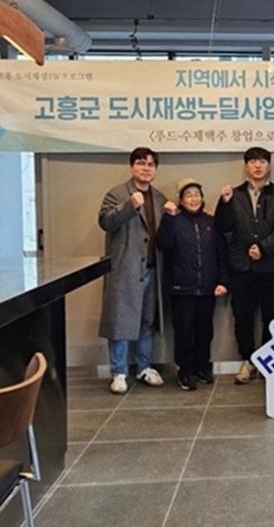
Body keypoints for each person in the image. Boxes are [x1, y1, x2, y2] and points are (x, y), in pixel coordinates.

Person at [215, 147, 274, 385]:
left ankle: (268, 363)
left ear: (269, 165)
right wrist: (224, 203)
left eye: (262, 162)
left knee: (273, 317)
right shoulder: (234, 194)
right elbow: (223, 227)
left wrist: (263, 248)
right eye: (253, 162)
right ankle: (247, 361)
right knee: (243, 317)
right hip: (242, 267)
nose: (258, 166)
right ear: (246, 166)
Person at [98, 147, 166, 394]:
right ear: (131, 167)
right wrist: (129, 206)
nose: (146, 168)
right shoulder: (117, 193)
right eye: (141, 163)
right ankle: (118, 372)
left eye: (151, 164)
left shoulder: (159, 197)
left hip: (153, 270)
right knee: (120, 321)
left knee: (147, 321)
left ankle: (144, 367)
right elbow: (105, 222)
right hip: (125, 269)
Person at [156, 178, 229, 390]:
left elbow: (221, 253)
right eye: (188, 195)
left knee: (204, 331)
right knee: (184, 332)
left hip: (207, 288)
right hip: (181, 289)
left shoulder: (211, 222)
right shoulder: (174, 220)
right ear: (181, 200)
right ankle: (185, 371)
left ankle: (202, 368)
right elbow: (163, 244)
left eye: (197, 195)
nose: (194, 199)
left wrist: (223, 281)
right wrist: (168, 218)